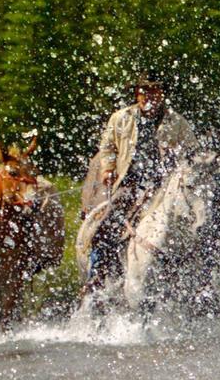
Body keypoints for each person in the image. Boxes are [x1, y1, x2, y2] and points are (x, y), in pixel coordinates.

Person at [83, 71, 197, 291]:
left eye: (153, 90)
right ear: (137, 94)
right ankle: (97, 276)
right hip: (130, 183)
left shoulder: (177, 122)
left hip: (164, 185)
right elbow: (107, 147)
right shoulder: (121, 118)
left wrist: (178, 159)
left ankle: (197, 281)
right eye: (143, 91)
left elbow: (192, 152)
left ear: (161, 93)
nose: (148, 96)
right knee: (106, 222)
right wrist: (107, 168)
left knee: (193, 223)